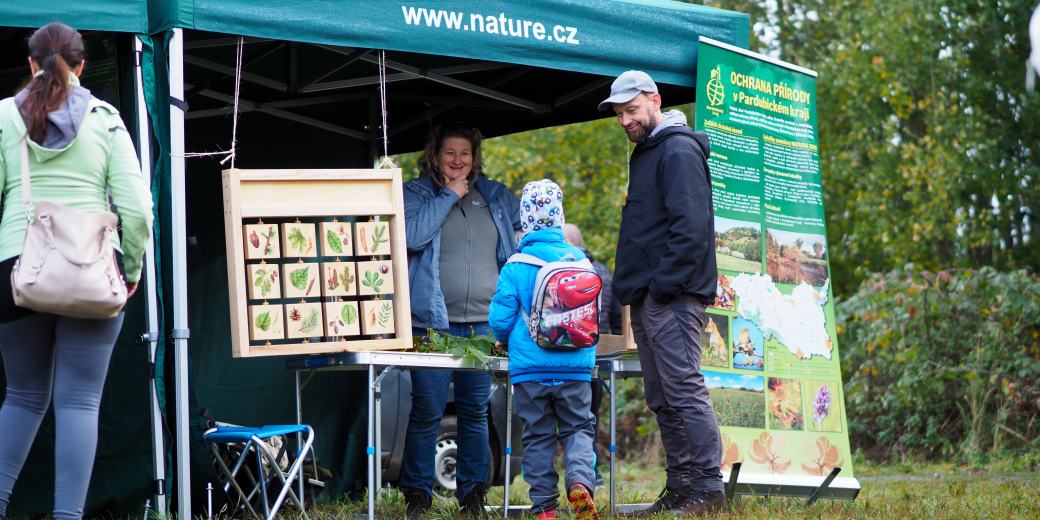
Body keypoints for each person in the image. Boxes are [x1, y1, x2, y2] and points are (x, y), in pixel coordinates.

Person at [0, 22, 153, 520]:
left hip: (17, 270)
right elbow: (138, 210)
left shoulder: (3, 117)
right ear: (83, 66)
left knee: (22, 397)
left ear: (30, 63)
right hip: (91, 272)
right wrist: (130, 269)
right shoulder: (107, 120)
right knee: (80, 404)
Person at [599, 70, 726, 516]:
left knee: (683, 388)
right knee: (662, 395)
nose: (624, 121)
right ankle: (681, 487)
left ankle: (708, 492)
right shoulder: (649, 151)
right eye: (618, 114)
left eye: (631, 111)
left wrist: (663, 288)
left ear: (655, 100)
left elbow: (691, 230)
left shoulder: (677, 149)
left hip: (672, 295)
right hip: (650, 296)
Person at [401, 122, 520, 516]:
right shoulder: (416, 193)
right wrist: (449, 196)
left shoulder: (496, 196)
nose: (457, 160)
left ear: (475, 157)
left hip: (484, 324)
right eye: (449, 153)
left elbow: (517, 246)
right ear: (434, 155)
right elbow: (412, 237)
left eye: (465, 154)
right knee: (427, 410)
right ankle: (417, 494)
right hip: (432, 322)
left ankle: (473, 494)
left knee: (474, 411)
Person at [489, 180, 599, 520]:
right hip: (575, 366)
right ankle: (580, 482)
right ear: (559, 218)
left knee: (537, 436)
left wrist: (504, 337)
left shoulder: (516, 264)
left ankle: (545, 509)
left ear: (525, 218)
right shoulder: (580, 260)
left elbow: (500, 319)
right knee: (578, 427)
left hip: (531, 369)